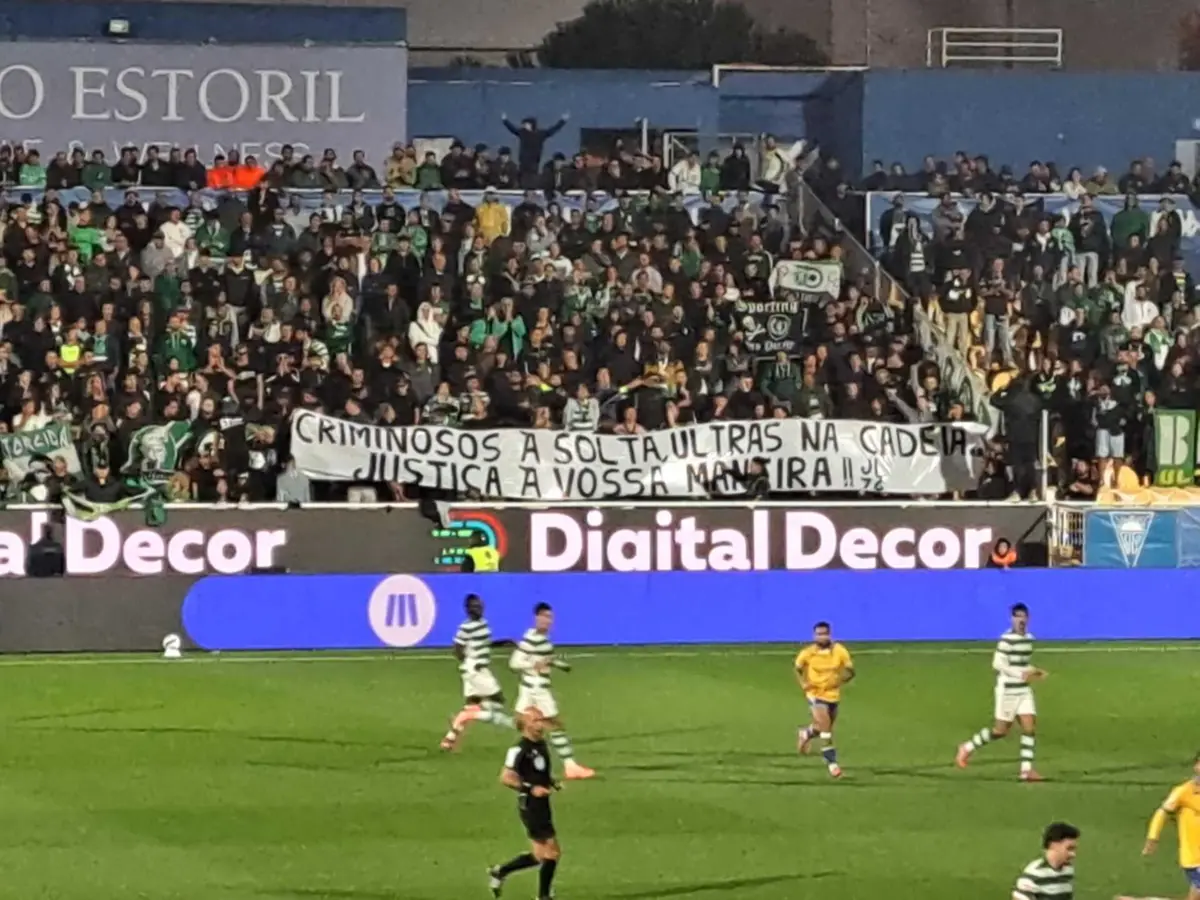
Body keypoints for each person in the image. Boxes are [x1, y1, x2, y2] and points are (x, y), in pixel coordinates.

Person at [956, 603, 1046, 781]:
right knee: (1000, 731)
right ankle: (967, 747)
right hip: (1008, 691)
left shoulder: (1029, 639)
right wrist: (1020, 674)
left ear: (1028, 618)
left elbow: (1021, 663)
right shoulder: (1006, 640)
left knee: (1029, 726)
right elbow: (998, 664)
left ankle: (1026, 770)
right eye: (1017, 616)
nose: (1020, 620)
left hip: (1023, 690)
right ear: (1012, 619)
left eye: (1023, 616)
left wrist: (1034, 671)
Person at [510, 603, 595, 780]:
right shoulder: (532, 639)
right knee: (555, 725)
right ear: (537, 618)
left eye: (550, 617)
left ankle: (517, 763)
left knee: (521, 724)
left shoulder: (542, 638)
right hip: (537, 688)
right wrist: (534, 665)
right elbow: (514, 663)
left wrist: (556, 664)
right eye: (544, 617)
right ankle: (570, 766)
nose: (547, 621)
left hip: (528, 687)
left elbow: (543, 658)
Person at [488, 707, 562, 900]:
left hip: (542, 803)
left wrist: (550, 781)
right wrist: (531, 789)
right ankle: (544, 896)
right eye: (535, 720)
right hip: (531, 804)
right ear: (526, 724)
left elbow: (536, 772)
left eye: (541, 720)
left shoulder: (541, 744)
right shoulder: (519, 749)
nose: (540, 724)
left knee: (539, 856)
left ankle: (500, 871)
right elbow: (506, 777)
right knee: (553, 853)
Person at [441, 594, 515, 750]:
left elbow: (485, 644)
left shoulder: (484, 624)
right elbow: (457, 649)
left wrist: (502, 643)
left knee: (473, 705)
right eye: (475, 606)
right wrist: (470, 663)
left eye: (480, 606)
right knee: (497, 700)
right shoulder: (465, 627)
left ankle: (449, 739)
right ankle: (509, 723)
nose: (479, 609)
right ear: (468, 610)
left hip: (477, 669)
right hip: (477, 670)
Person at [794, 621, 855, 779]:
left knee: (822, 727)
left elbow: (850, 671)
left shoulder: (839, 651)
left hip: (833, 695)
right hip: (815, 694)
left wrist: (839, 681)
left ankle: (806, 733)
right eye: (819, 634)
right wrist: (804, 684)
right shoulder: (808, 653)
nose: (822, 637)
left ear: (830, 634)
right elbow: (798, 668)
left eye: (825, 634)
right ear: (814, 636)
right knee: (826, 730)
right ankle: (832, 764)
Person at [1137, 752, 1200, 900]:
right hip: (1194, 858)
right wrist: (1152, 838)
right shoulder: (1184, 792)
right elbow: (1162, 813)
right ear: (1196, 766)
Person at [1013, 822, 1080, 900]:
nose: (1073, 854)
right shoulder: (1034, 874)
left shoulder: (1067, 869)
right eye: (1069, 848)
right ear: (1054, 845)